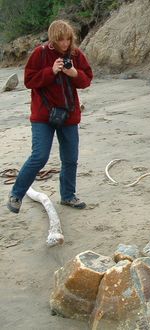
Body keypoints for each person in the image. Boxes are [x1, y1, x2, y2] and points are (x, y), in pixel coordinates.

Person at [7, 20, 93, 213]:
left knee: (70, 158)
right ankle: (16, 194)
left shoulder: (76, 54)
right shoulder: (40, 53)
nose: (65, 44)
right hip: (42, 116)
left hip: (69, 115)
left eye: (68, 39)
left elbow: (86, 80)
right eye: (60, 40)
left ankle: (68, 196)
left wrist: (74, 73)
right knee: (39, 156)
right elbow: (29, 81)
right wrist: (50, 71)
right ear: (53, 39)